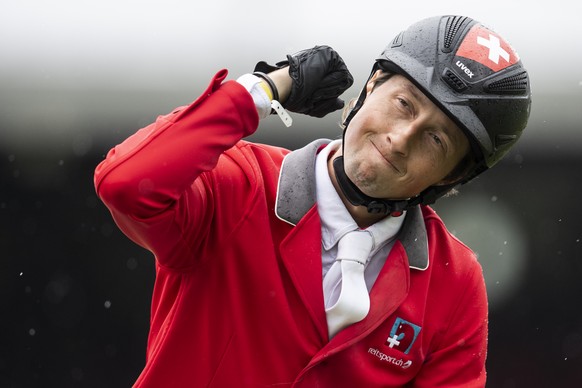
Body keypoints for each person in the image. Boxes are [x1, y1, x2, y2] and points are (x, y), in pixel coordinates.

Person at [94, 15, 531, 387]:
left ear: (452, 176)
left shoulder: (454, 283)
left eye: (435, 139)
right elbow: (126, 183)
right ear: (372, 85)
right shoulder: (238, 185)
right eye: (402, 104)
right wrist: (262, 91)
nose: (400, 140)